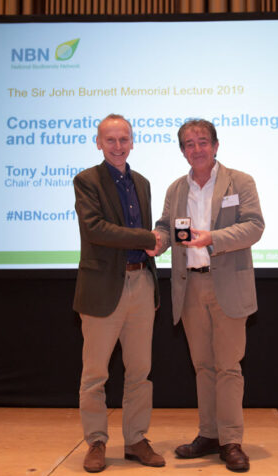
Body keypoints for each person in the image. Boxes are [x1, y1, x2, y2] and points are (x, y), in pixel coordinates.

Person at [151, 119, 264, 472]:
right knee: (203, 367)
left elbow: (254, 226)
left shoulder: (240, 181)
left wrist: (212, 237)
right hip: (189, 287)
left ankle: (231, 441)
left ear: (216, 145)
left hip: (227, 284)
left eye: (202, 141)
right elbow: (166, 226)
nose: (196, 148)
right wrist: (156, 239)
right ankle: (209, 434)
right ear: (182, 150)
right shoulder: (176, 189)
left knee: (228, 367)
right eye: (188, 143)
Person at [72, 114, 165, 473]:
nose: (118, 146)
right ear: (98, 143)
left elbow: (148, 232)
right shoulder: (86, 180)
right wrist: (148, 239)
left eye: (123, 139)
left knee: (140, 371)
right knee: (95, 374)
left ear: (132, 141)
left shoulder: (141, 182)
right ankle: (96, 441)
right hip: (102, 289)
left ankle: (136, 439)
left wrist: (158, 242)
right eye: (110, 140)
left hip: (141, 284)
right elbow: (95, 229)